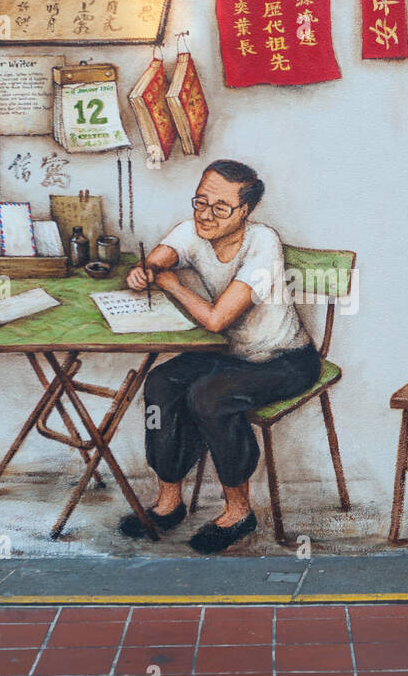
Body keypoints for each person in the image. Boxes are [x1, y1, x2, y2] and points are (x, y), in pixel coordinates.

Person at [119, 160, 321, 554]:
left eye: (220, 208)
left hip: (285, 360)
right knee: (160, 383)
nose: (205, 215)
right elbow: (159, 258)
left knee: (209, 398)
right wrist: (145, 271)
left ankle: (238, 511)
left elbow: (216, 320)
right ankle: (169, 501)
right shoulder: (192, 229)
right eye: (200, 202)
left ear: (245, 211)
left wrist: (172, 285)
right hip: (231, 355)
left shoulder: (263, 243)